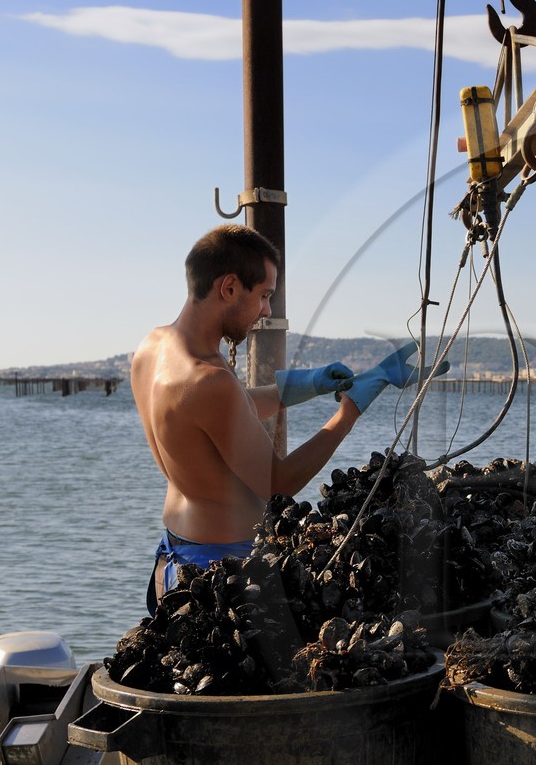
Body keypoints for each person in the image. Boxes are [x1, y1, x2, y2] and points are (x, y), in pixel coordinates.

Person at [132, 224, 445, 613]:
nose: (265, 311)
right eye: (263, 296)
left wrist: (305, 385)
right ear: (229, 287)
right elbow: (278, 483)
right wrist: (349, 412)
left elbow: (214, 416)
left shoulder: (153, 347)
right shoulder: (209, 379)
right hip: (215, 574)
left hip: (175, 559)